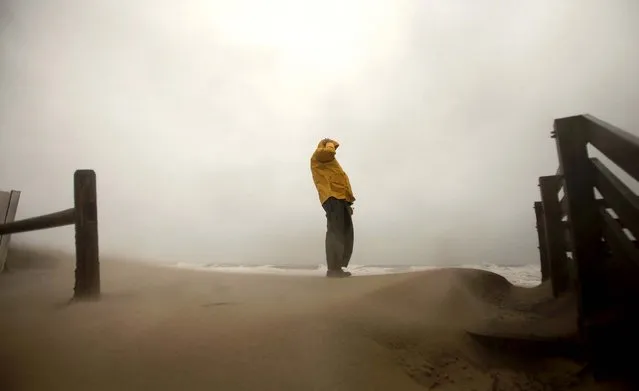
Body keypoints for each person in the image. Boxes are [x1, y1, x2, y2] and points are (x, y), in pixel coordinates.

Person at [310, 138, 355, 278]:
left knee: (345, 233)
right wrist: (329, 142)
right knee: (335, 232)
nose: (334, 148)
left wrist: (348, 201)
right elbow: (329, 152)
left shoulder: (329, 163)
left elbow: (341, 181)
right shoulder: (318, 155)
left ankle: (338, 267)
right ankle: (333, 269)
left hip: (340, 199)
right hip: (332, 197)